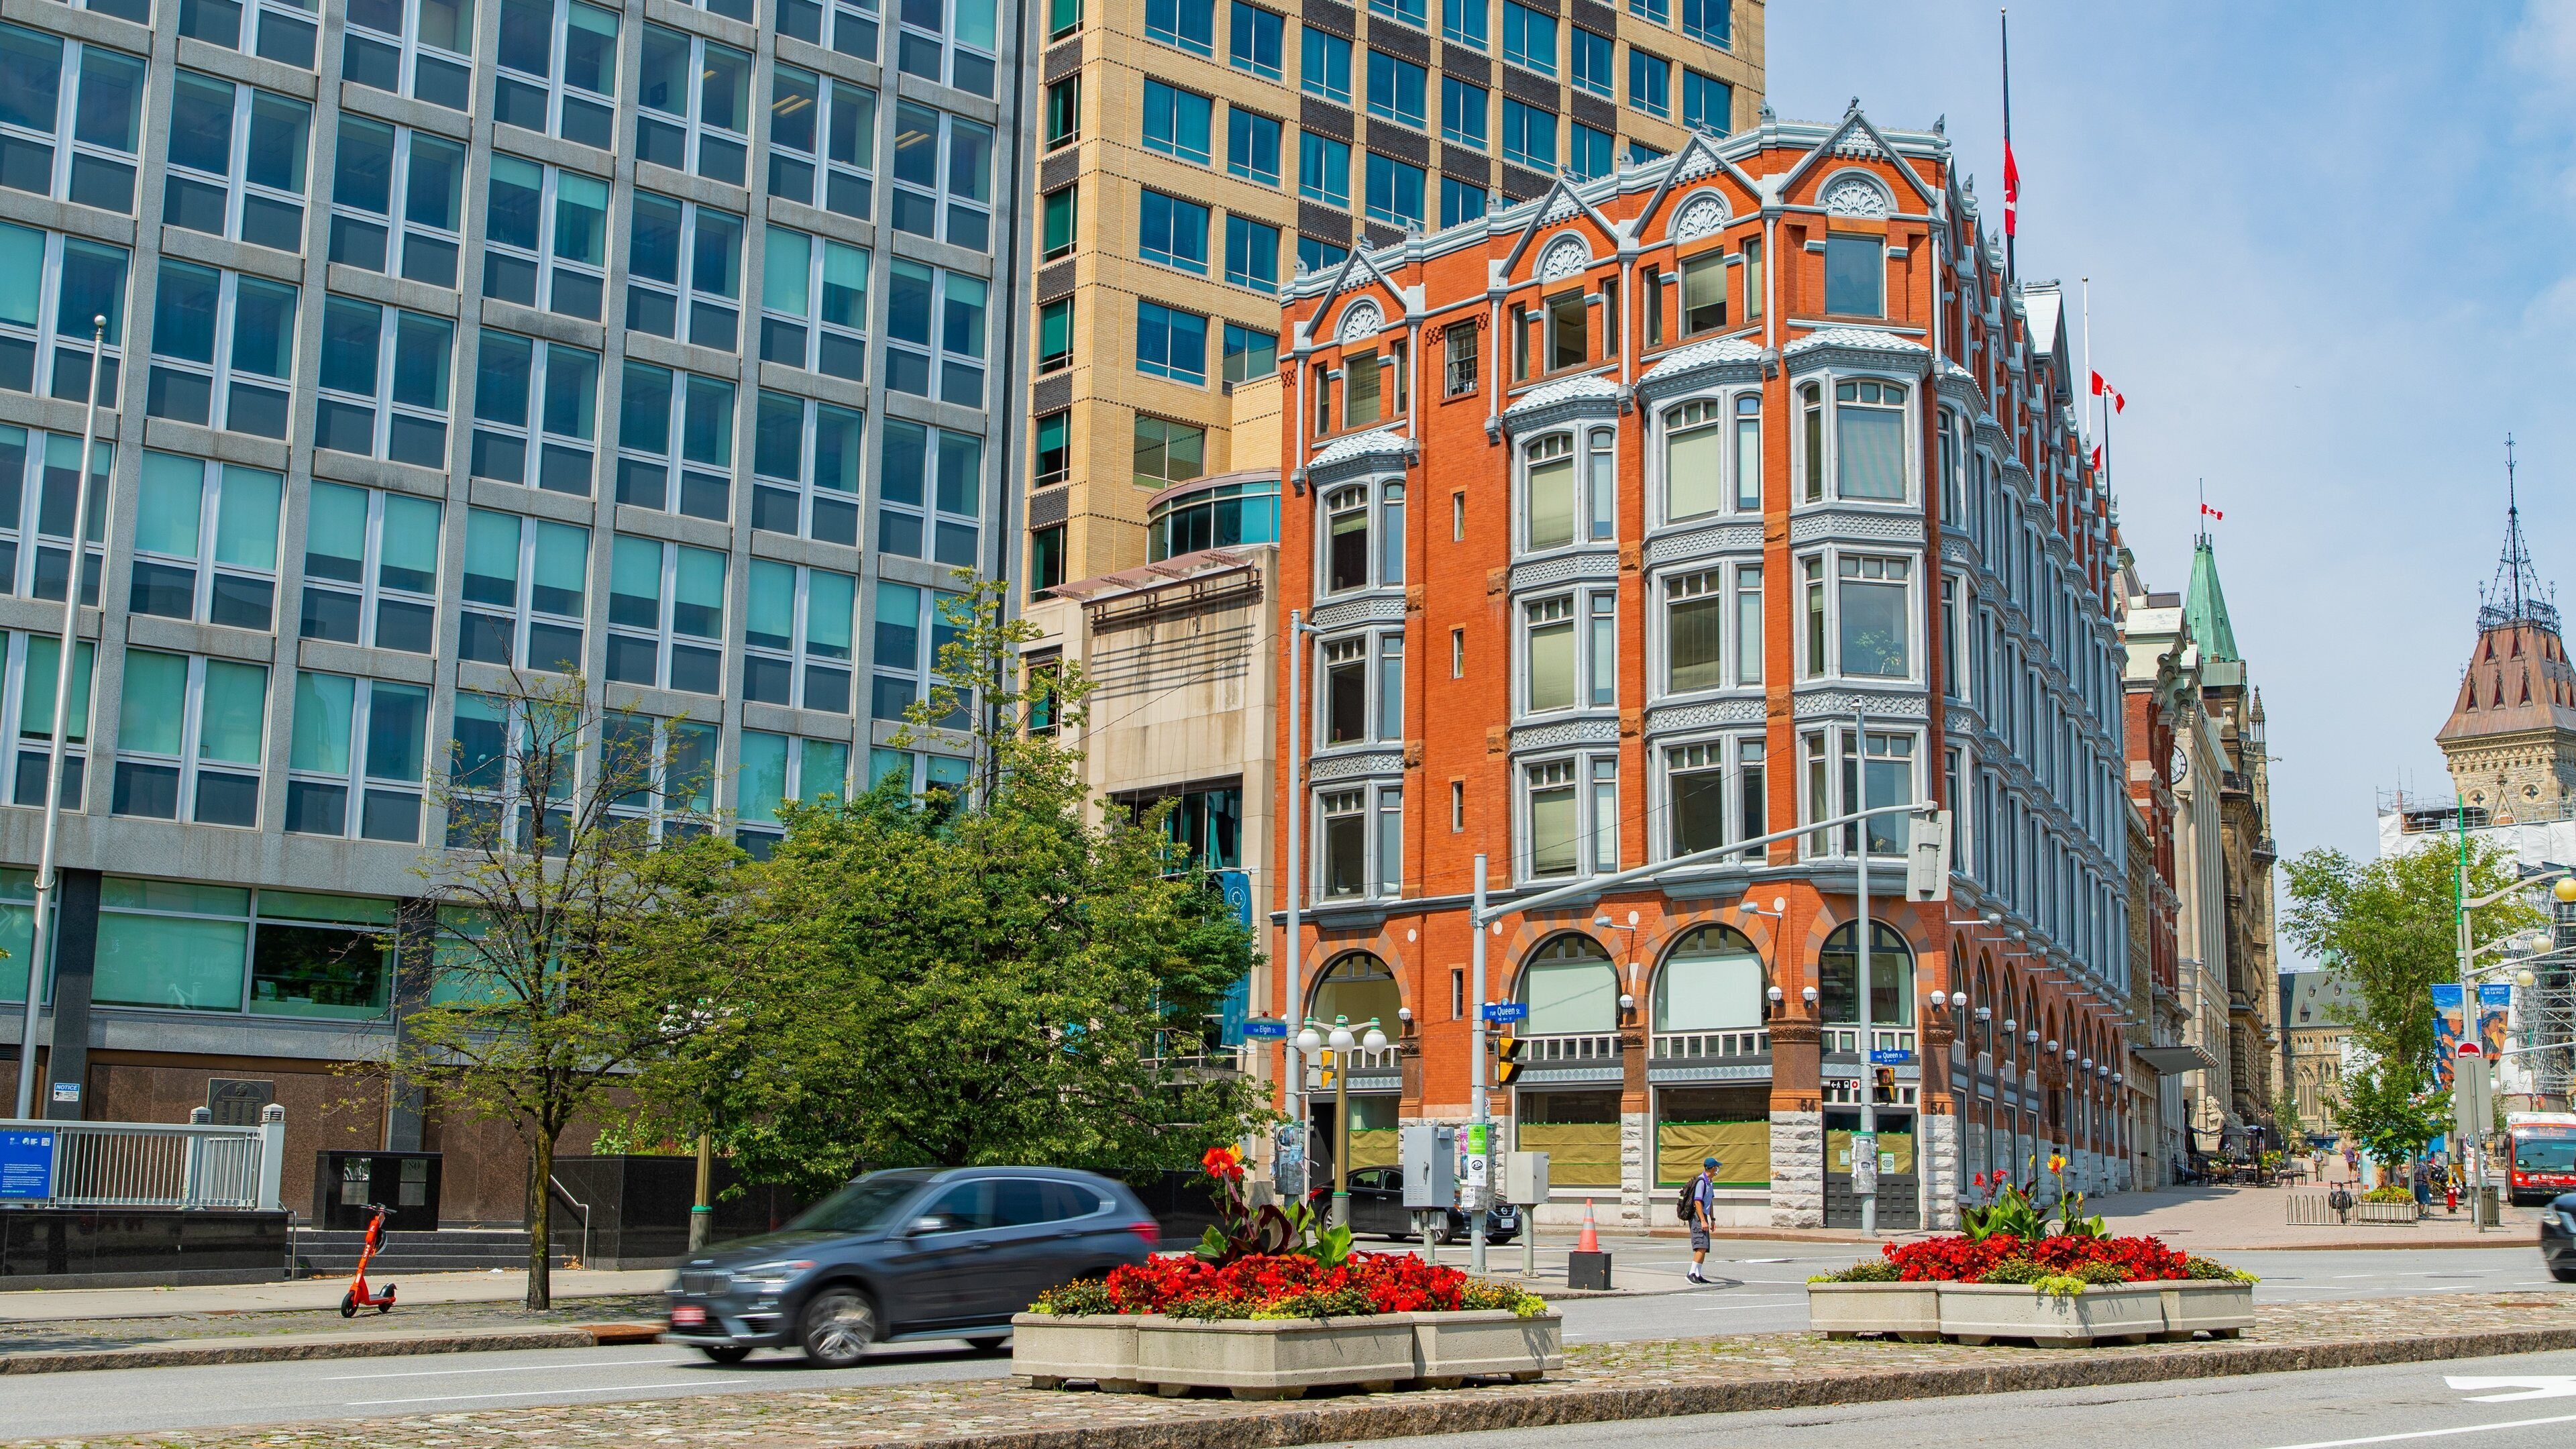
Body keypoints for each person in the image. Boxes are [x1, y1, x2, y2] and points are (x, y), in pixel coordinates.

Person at [1686, 1156, 1720, 1285]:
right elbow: (1698, 1202)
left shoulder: (1709, 1182)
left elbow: (1710, 1202)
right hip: (1697, 1217)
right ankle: (1691, 1273)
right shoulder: (1701, 1182)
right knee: (1700, 1246)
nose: (1718, 1169)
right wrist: (1702, 1221)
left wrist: (1712, 1219)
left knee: (1704, 1246)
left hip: (1704, 1216)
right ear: (1711, 1168)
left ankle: (1698, 1274)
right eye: (1716, 1167)